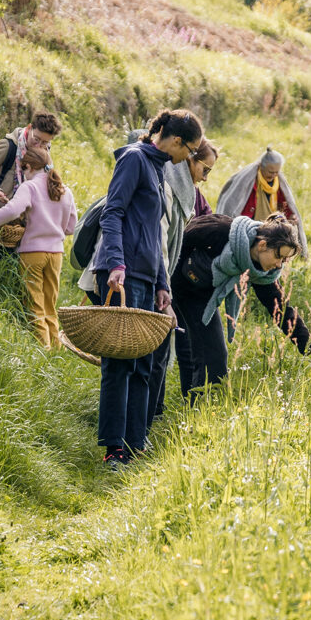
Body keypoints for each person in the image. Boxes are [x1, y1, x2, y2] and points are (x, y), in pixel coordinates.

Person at [91, 108, 204, 470]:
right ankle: (113, 449)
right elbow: (113, 213)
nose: (190, 158)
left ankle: (135, 443)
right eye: (190, 150)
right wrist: (116, 263)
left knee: (144, 364)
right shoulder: (134, 160)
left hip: (147, 278)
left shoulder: (157, 168)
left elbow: (155, 234)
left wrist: (162, 284)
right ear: (176, 140)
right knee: (119, 364)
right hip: (123, 274)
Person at [171, 214, 311, 399]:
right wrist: (164, 286)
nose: (279, 265)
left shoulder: (262, 272)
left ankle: (192, 408)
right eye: (278, 256)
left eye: (284, 261)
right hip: (173, 285)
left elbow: (282, 311)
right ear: (262, 245)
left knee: (204, 353)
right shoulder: (221, 230)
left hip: (202, 297)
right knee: (209, 356)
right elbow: (177, 240)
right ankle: (184, 407)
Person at [146, 137, 220, 430]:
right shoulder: (167, 187)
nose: (206, 177)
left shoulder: (196, 197)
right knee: (160, 344)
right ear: (190, 159)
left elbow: (206, 224)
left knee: (185, 343)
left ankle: (190, 403)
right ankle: (154, 411)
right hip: (164, 275)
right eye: (205, 169)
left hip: (185, 281)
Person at [0, 146, 77, 349]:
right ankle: (56, 348)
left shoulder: (30, 187)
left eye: (23, 169)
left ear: (30, 167)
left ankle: (43, 349)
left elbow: (13, 209)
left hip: (32, 253)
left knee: (34, 303)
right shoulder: (65, 190)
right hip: (56, 254)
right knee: (50, 303)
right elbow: (71, 227)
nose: (23, 174)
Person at [215, 146, 309, 256]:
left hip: (272, 223)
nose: (274, 175)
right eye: (270, 172)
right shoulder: (249, 181)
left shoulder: (278, 182)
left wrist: (290, 218)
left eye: (277, 172)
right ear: (261, 166)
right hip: (250, 224)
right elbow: (235, 206)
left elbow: (285, 205)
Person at [0, 111, 63, 213]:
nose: (38, 146)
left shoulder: (45, 155)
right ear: (29, 128)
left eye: (44, 142)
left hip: (24, 217)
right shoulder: (8, 146)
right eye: (36, 139)